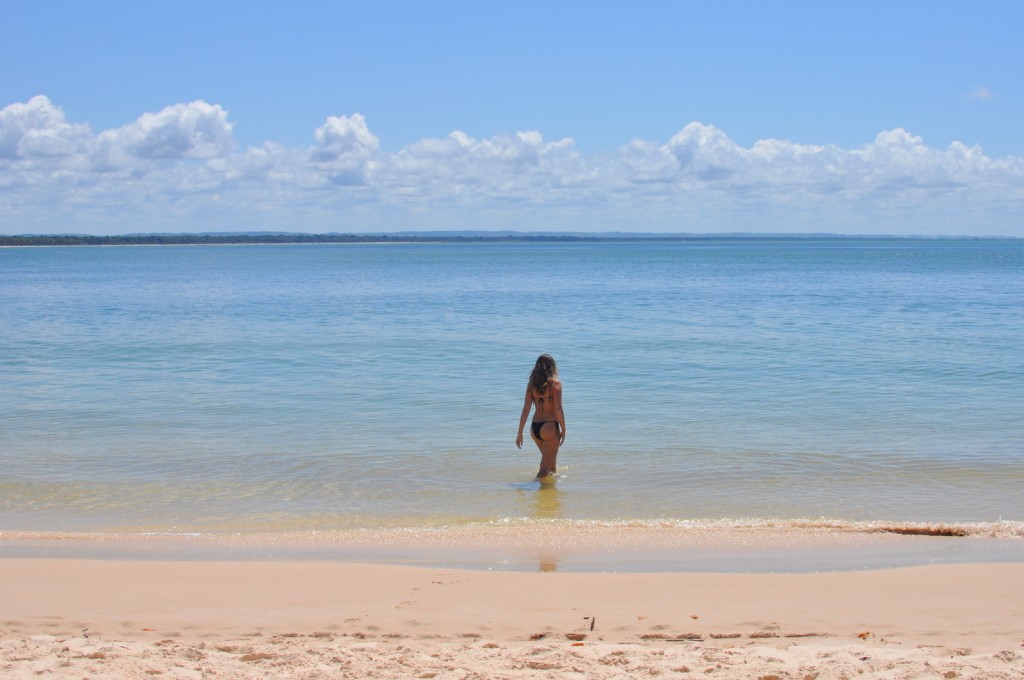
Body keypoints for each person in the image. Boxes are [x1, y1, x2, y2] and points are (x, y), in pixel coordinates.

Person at [516, 354, 566, 479]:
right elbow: (558, 409)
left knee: (551, 465)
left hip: (535, 429)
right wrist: (564, 428)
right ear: (552, 367)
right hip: (549, 427)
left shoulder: (531, 385)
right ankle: (530, 492)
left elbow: (526, 410)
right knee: (544, 471)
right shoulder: (556, 385)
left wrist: (520, 432)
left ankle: (550, 495)